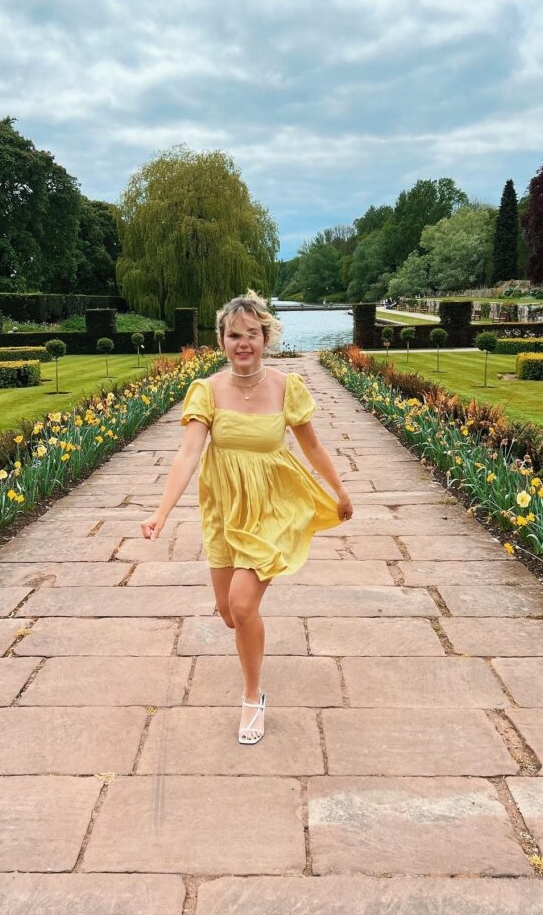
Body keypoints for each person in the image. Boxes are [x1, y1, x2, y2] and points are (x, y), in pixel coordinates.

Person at [140, 291, 353, 745]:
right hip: (224, 510)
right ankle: (249, 644)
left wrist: (339, 489)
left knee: (241, 602)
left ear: (265, 337)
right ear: (221, 340)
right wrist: (160, 512)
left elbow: (311, 444)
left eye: (251, 334)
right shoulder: (207, 390)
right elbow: (188, 454)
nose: (243, 342)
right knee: (229, 613)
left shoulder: (285, 386)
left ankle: (252, 697)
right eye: (234, 334)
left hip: (274, 506)